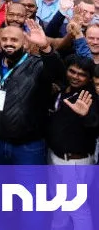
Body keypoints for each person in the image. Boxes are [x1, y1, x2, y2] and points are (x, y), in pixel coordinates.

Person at [0, 21, 59, 230]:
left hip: (28, 146)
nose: (9, 44)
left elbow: (58, 76)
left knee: (31, 199)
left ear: (25, 44)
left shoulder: (38, 65)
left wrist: (46, 48)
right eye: (5, 39)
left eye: (14, 40)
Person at [46, 55, 98, 230]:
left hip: (75, 163)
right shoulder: (63, 89)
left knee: (77, 209)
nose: (75, 76)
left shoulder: (89, 96)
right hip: (54, 157)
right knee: (58, 206)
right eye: (72, 71)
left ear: (89, 78)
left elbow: (95, 122)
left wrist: (86, 116)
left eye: (81, 74)